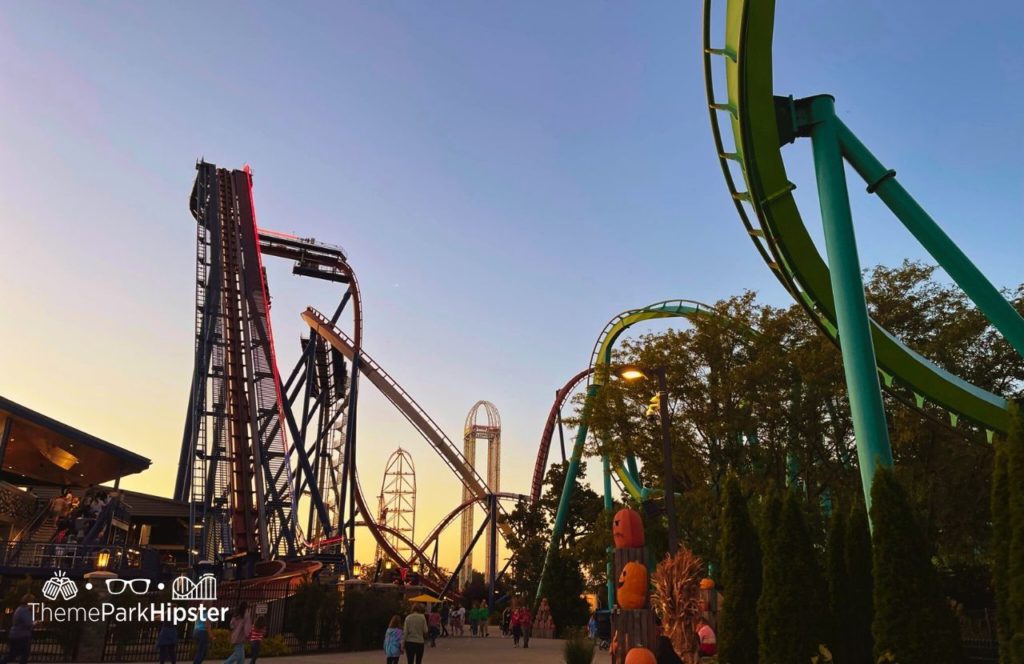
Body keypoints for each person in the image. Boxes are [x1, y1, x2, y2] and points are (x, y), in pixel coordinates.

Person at [0, 594, 34, 664]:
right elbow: (28, 623)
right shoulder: (24, 611)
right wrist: (36, 623)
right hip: (22, 636)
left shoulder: (19, 609)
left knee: (14, 654)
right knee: (24, 654)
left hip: (15, 634)